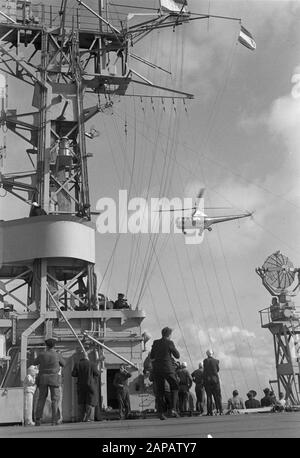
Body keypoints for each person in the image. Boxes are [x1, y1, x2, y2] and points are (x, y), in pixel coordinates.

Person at [150, 326, 180, 420]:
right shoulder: (170, 342)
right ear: (169, 335)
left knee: (160, 391)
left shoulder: (155, 342)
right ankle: (173, 409)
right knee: (175, 387)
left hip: (157, 369)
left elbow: (152, 355)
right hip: (167, 369)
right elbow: (177, 355)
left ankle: (160, 413)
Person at [33, 337, 65, 426]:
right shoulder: (57, 355)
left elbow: (34, 362)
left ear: (46, 345)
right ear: (54, 345)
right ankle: (54, 420)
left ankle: (38, 419)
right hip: (54, 379)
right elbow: (64, 364)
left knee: (41, 399)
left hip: (43, 378)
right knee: (55, 399)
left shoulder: (42, 354)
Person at [71, 349, 100, 422]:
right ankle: (89, 418)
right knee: (90, 401)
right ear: (87, 356)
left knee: (81, 401)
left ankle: (81, 418)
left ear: (81, 356)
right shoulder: (92, 364)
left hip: (80, 386)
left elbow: (73, 374)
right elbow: (97, 374)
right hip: (90, 385)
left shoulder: (77, 364)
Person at [203, 349, 223, 416]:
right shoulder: (216, 361)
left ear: (207, 354)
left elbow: (205, 369)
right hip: (215, 380)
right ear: (212, 353)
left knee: (209, 396)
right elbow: (217, 370)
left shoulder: (205, 361)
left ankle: (209, 412)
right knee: (217, 396)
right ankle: (220, 410)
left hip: (208, 380)